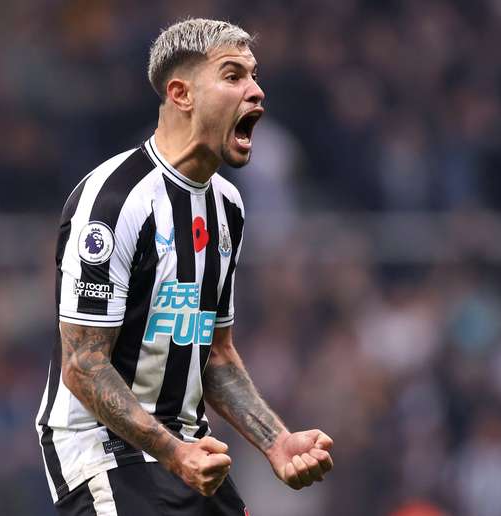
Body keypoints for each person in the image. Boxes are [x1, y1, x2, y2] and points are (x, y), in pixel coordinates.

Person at [35, 18, 334, 515]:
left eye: (255, 76)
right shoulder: (114, 199)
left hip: (190, 450)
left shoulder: (227, 206)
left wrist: (276, 442)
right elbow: (83, 364)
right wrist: (174, 453)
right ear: (181, 94)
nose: (256, 91)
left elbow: (214, 352)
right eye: (233, 76)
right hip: (105, 455)